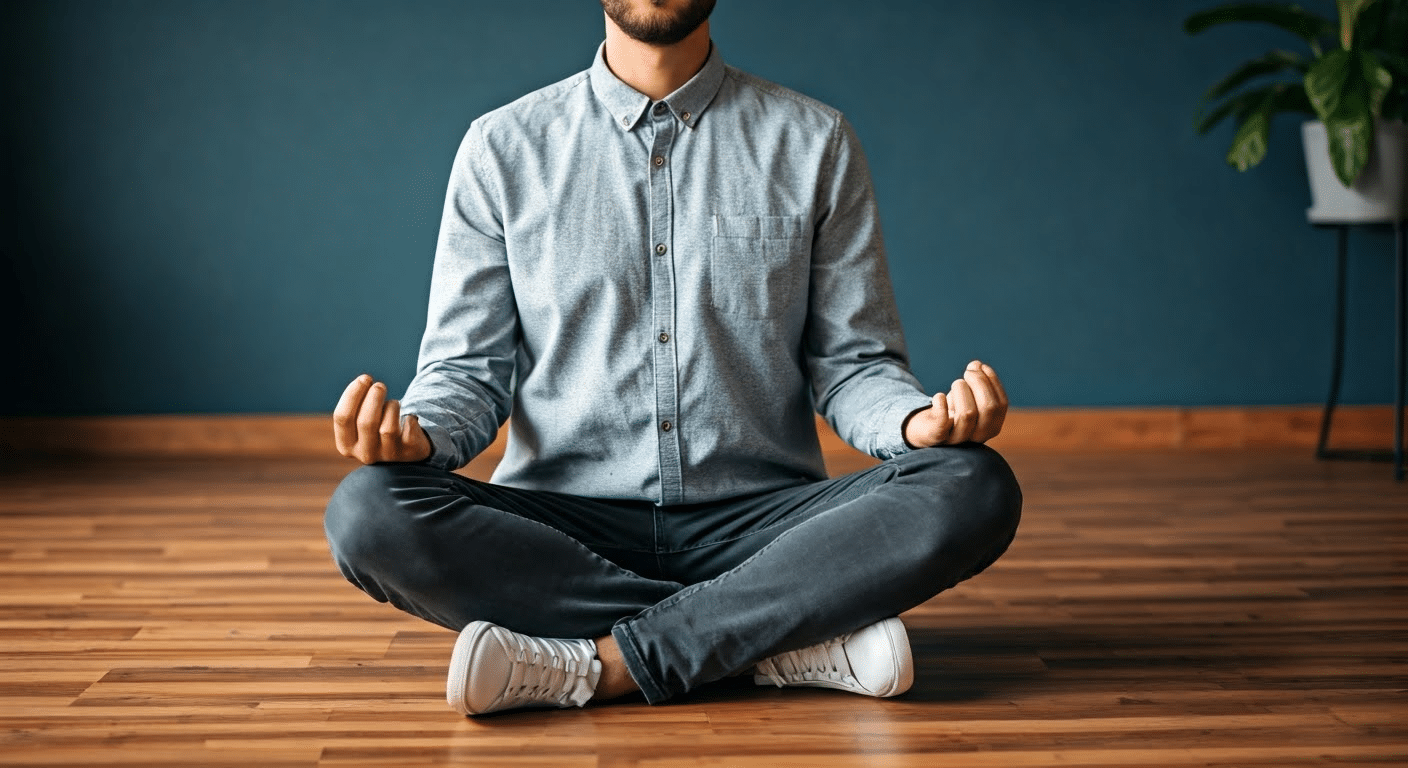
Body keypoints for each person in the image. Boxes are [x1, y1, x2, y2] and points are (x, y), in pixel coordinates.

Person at [324, 0, 1021, 717]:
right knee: (368, 512)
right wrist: (418, 436)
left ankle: (597, 662)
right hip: (562, 534)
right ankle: (775, 638)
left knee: (973, 483)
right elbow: (468, 372)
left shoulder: (816, 142)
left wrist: (915, 425)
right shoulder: (501, 148)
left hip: (763, 528)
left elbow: (854, 364)